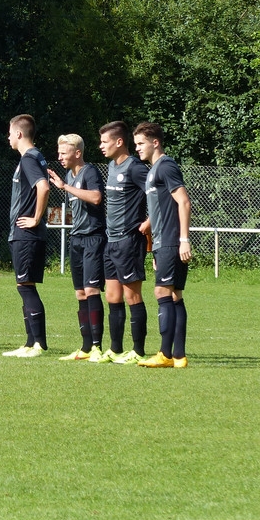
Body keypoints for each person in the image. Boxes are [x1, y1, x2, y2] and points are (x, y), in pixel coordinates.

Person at [133, 122, 192, 368]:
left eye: (141, 143)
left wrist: (183, 240)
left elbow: (184, 202)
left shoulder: (165, 166)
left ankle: (165, 354)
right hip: (163, 242)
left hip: (171, 240)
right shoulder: (153, 170)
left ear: (155, 142)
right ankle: (179, 356)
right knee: (175, 294)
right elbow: (163, 206)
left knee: (162, 292)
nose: (137, 148)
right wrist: (149, 225)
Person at [47, 133, 106, 361]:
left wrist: (65, 187)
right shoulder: (68, 175)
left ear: (77, 153)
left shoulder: (89, 172)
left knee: (91, 291)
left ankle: (97, 347)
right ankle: (85, 347)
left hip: (93, 238)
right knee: (80, 293)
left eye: (64, 153)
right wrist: (65, 185)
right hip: (77, 239)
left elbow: (96, 197)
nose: (60, 157)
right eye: (59, 152)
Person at [97, 120, 150, 364]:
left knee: (132, 297)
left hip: (129, 241)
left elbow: (161, 194)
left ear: (119, 142)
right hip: (111, 241)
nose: (101, 146)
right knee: (112, 296)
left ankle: (138, 351)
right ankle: (115, 349)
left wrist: (149, 222)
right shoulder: (112, 166)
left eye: (104, 141)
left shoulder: (135, 168)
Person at [2, 114, 51, 358]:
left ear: (19, 134)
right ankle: (30, 342)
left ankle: (38, 344)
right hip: (26, 234)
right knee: (25, 285)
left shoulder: (29, 158)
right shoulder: (36, 156)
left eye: (10, 133)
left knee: (26, 287)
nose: (8, 137)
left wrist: (35, 218)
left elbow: (43, 187)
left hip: (27, 233)